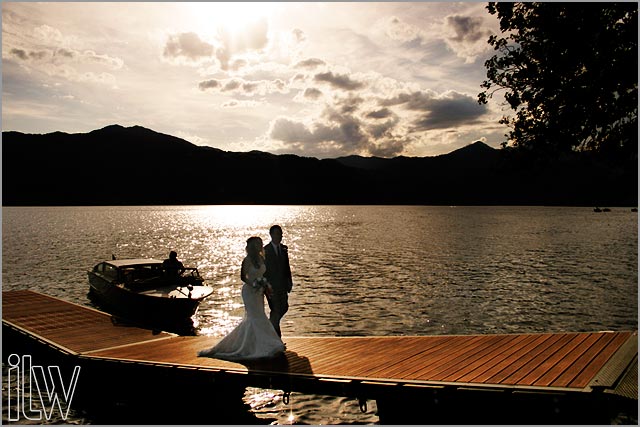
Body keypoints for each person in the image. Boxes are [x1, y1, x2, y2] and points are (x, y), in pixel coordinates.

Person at [197, 236, 285, 361]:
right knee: (255, 317)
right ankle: (262, 345)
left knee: (260, 315)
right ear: (253, 246)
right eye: (258, 243)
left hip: (259, 292)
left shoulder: (261, 258)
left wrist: (264, 285)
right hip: (250, 291)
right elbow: (243, 277)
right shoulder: (247, 260)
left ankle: (262, 344)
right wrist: (255, 283)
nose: (261, 245)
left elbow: (262, 273)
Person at [263, 224, 293, 338]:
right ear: (271, 235)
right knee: (275, 310)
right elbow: (264, 269)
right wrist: (266, 286)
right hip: (271, 287)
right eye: (276, 233)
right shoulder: (266, 250)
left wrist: (289, 282)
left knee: (284, 307)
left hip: (283, 286)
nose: (279, 236)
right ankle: (276, 339)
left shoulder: (284, 249)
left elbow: (287, 267)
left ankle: (271, 325)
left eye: (280, 234)